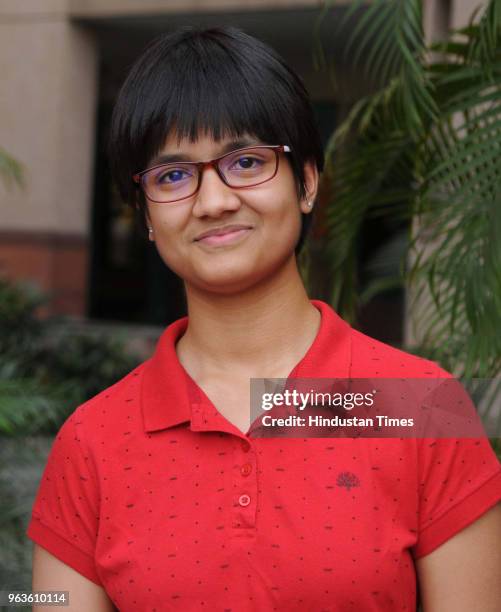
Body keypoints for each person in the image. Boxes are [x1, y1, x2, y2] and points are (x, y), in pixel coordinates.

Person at [28, 26, 501, 611]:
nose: (214, 200)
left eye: (246, 162)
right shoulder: (92, 441)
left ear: (305, 182)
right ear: (145, 215)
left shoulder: (424, 406)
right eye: (172, 176)